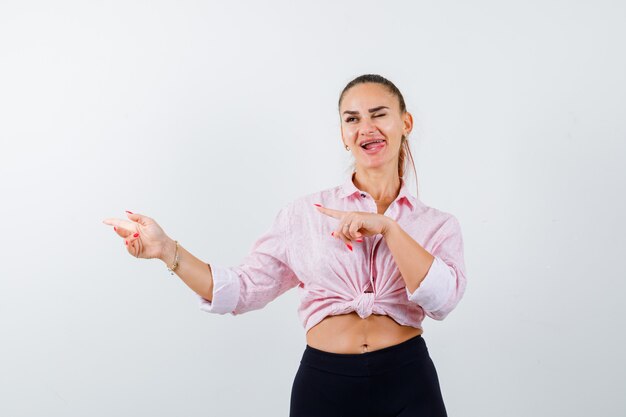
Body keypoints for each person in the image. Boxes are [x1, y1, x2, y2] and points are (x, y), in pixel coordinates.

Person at [102, 74, 467, 417]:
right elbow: (243, 290)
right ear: (342, 134)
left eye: (379, 114)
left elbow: (442, 302)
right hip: (325, 386)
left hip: (408, 381)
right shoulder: (304, 215)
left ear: (406, 123)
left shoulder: (436, 225)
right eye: (352, 119)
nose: (365, 128)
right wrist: (166, 249)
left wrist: (389, 229)